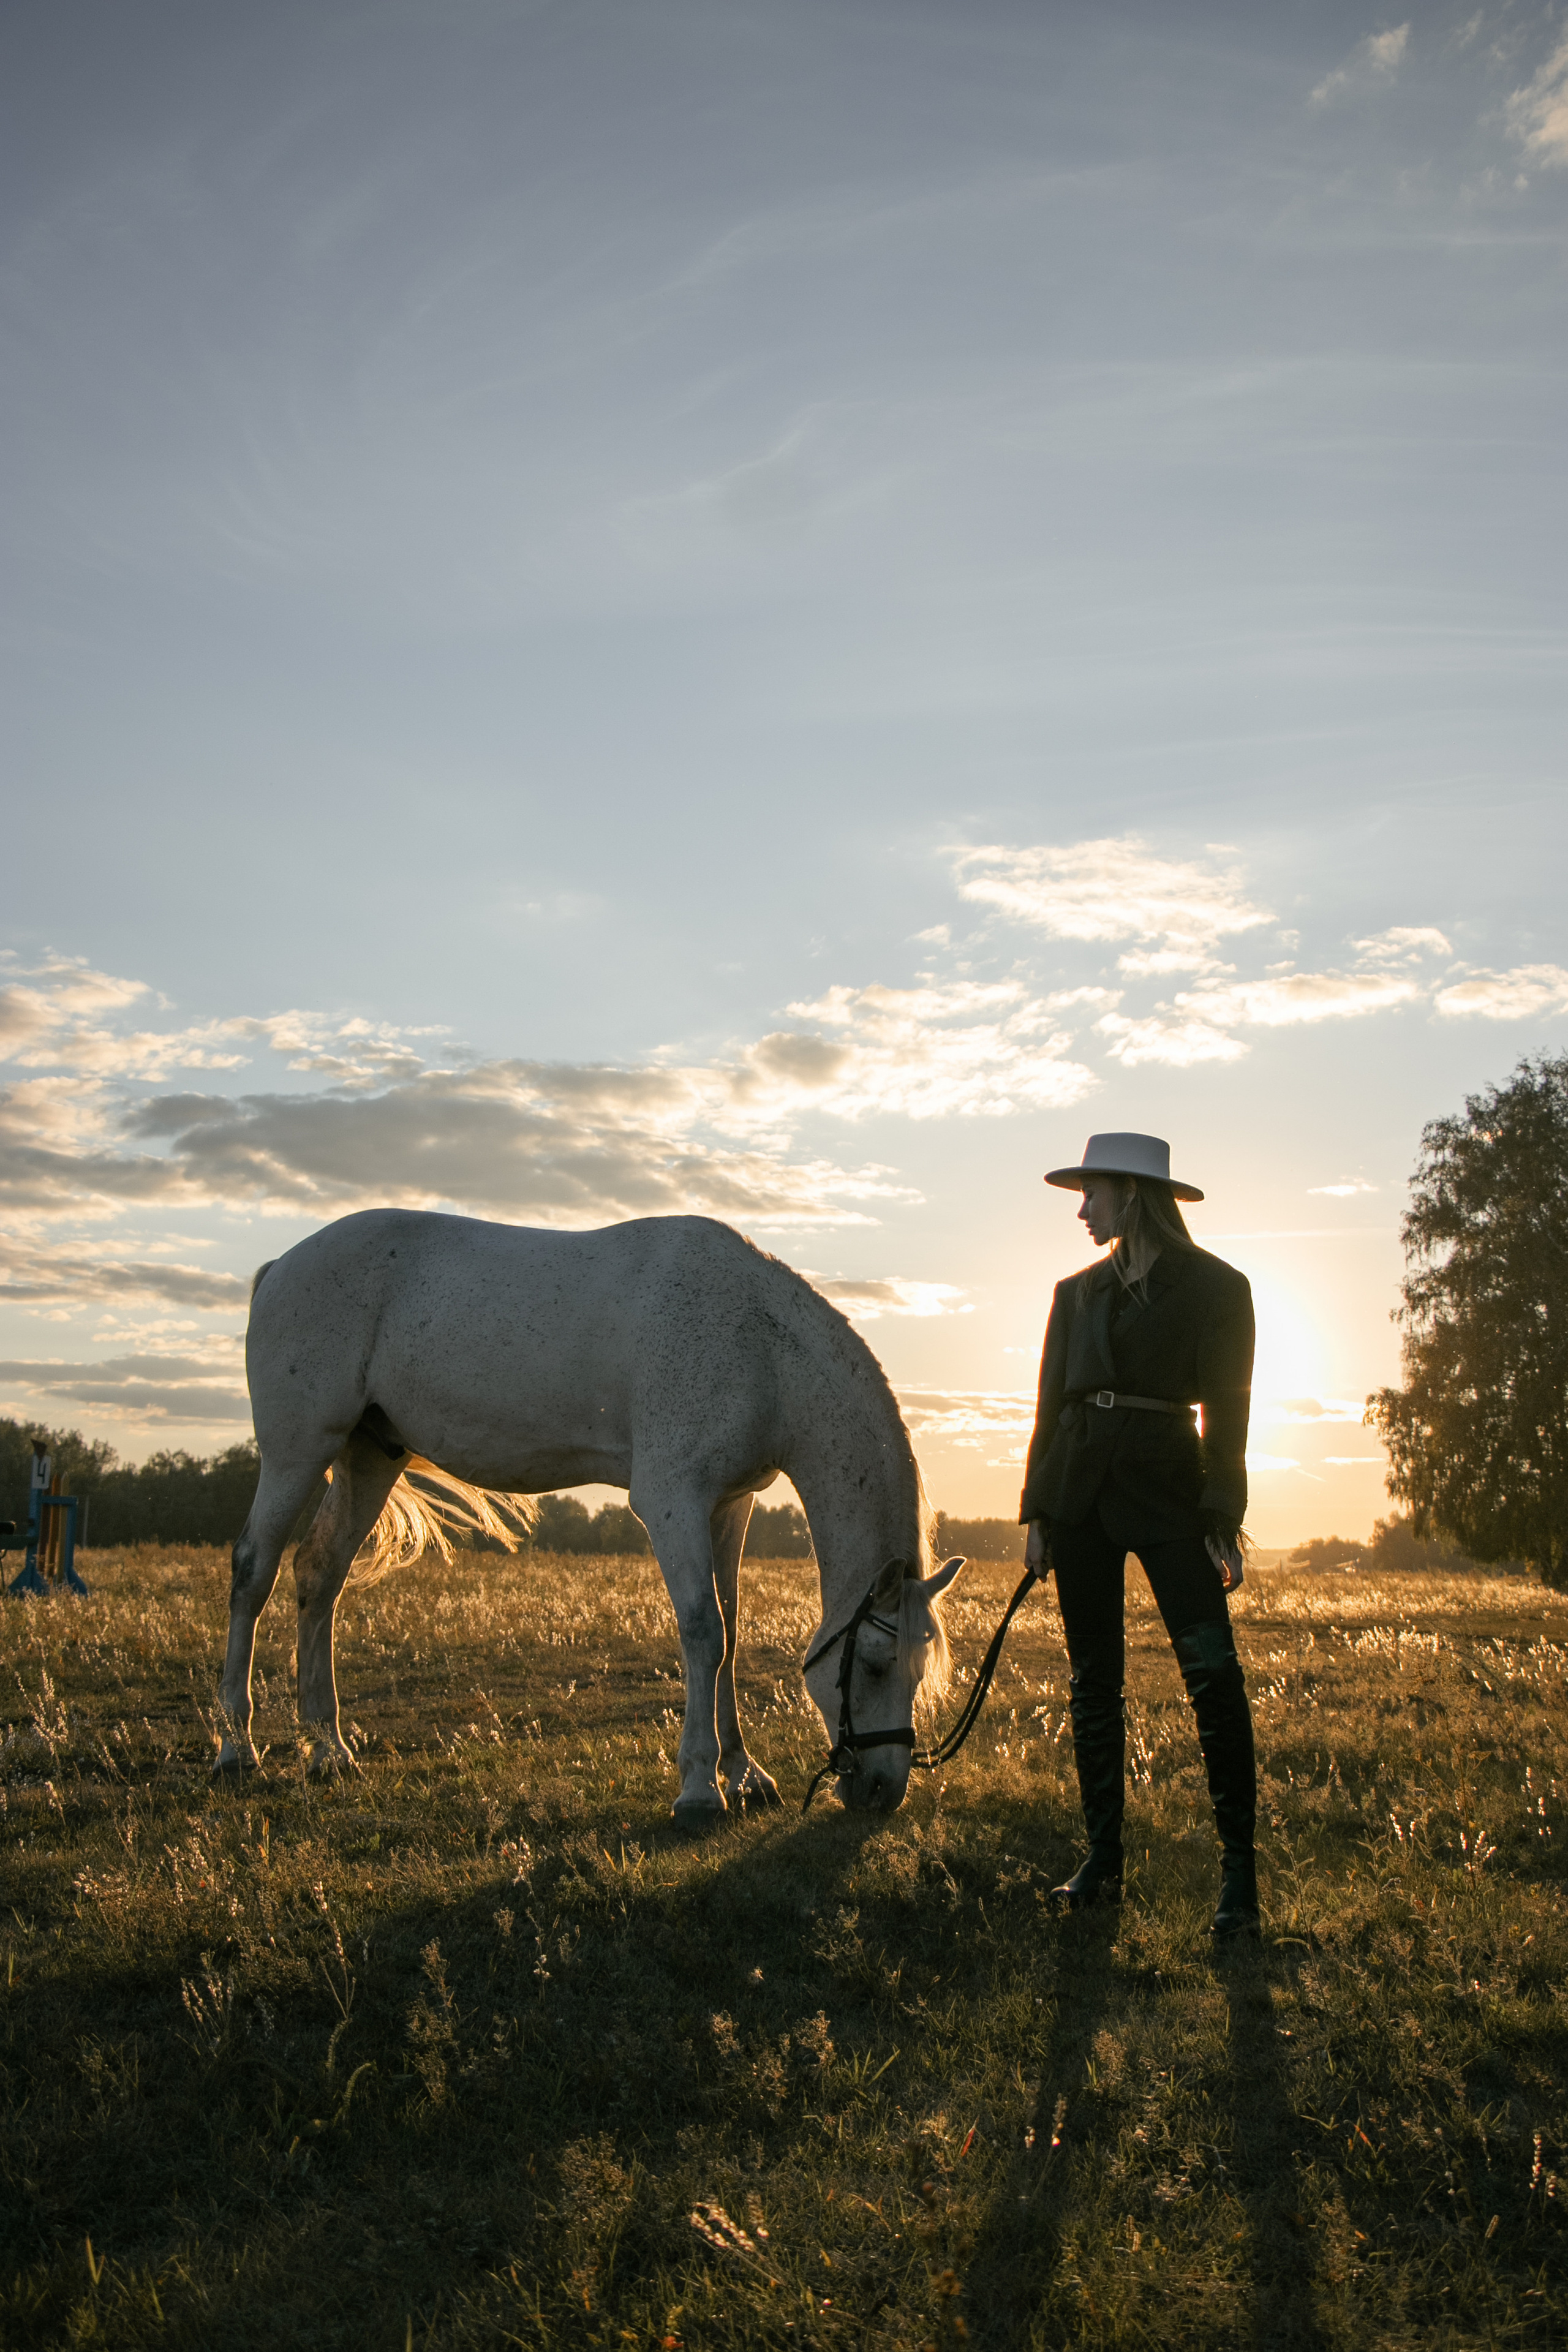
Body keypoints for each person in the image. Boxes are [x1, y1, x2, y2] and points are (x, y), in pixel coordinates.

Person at [1019, 1133, 1260, 1939]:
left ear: (1132, 1193)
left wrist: (1223, 1517)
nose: (1082, 1209)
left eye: (1092, 1193)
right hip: (1079, 1497)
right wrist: (1038, 1513)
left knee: (1212, 1680)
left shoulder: (1218, 1288)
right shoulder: (1074, 1292)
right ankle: (1103, 1862)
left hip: (1171, 1498)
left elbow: (1227, 1412)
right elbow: (1050, 1408)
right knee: (1094, 1685)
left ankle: (1238, 1879)